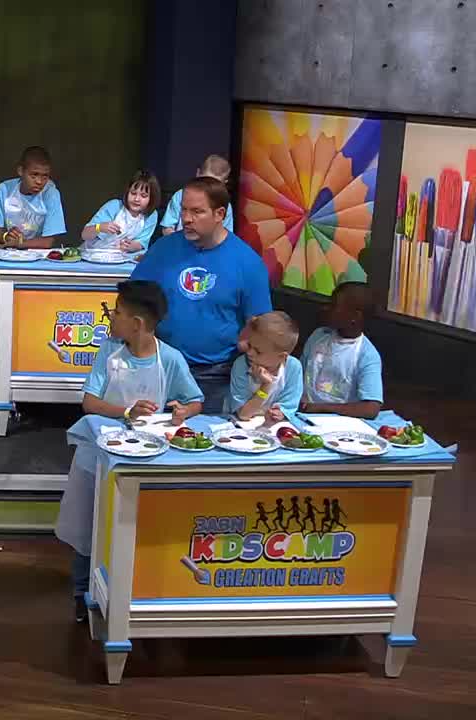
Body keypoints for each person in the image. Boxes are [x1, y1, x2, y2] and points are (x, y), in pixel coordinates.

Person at [56, 280, 203, 622]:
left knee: (131, 527)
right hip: (98, 454)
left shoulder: (170, 359)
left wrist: (184, 411)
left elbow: (195, 400)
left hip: (145, 459)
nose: (111, 317)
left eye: (117, 312)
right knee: (88, 525)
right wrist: (125, 412)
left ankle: (131, 592)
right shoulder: (109, 352)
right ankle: (82, 592)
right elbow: (90, 402)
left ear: (137, 323)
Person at [130, 177, 272, 413]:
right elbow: (133, 300)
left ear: (220, 214)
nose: (186, 219)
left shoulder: (248, 263)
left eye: (197, 212)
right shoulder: (163, 249)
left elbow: (259, 325)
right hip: (159, 367)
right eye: (184, 210)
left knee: (202, 434)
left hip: (216, 375)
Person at [300, 282, 383, 418]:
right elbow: (299, 373)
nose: (326, 308)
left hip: (337, 421)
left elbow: (371, 408)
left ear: (355, 316)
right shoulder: (318, 336)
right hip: (301, 414)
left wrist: (321, 408)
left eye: (334, 306)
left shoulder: (367, 355)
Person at [225, 311, 303, 423]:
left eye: (258, 351)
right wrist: (266, 386)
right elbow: (243, 414)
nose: (250, 353)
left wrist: (279, 413)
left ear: (281, 357)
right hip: (240, 424)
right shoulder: (241, 365)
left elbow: (287, 408)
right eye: (249, 345)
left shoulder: (293, 368)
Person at [0, 146, 66, 249]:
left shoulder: (51, 194)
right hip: (10, 252)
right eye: (34, 175)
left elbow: (48, 242)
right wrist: (6, 236)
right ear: (20, 171)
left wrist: (17, 243)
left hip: (37, 254)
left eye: (45, 176)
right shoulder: (5, 190)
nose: (39, 181)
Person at [80, 170, 161, 253]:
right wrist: (99, 227)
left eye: (143, 196)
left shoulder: (151, 215)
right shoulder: (114, 206)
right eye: (133, 193)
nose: (136, 199)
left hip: (122, 257)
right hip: (93, 253)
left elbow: (141, 243)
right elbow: (84, 235)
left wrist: (130, 246)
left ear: (152, 198)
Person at [161, 154, 233, 236]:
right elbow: (167, 228)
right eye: (204, 181)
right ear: (198, 173)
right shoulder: (180, 196)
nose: (208, 188)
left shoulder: (225, 205)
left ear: (224, 183)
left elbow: (226, 235)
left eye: (215, 184)